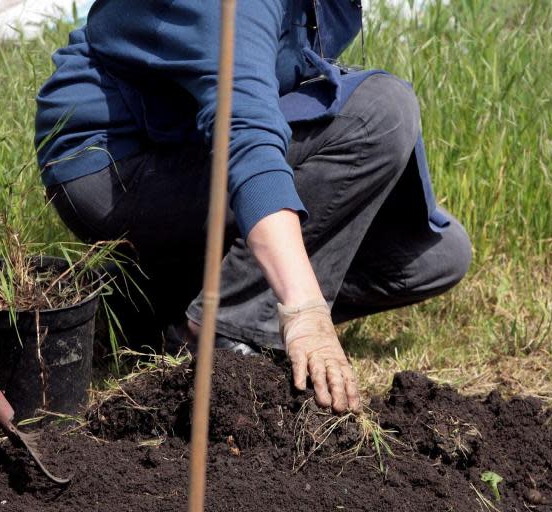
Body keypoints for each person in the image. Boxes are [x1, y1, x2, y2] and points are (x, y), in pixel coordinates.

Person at [34, 0, 472, 414]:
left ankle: (146, 302)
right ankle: (216, 331)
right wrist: (303, 308)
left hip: (189, 138)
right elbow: (245, 130)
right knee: (381, 111)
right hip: (116, 164)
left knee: (434, 256)